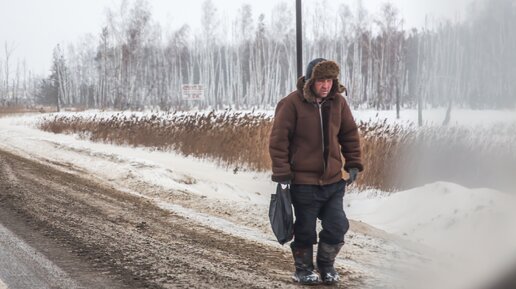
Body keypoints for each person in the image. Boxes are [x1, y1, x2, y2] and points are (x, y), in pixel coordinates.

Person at [269, 58, 363, 285]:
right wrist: (282, 174)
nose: (326, 85)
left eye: (330, 80)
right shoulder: (291, 103)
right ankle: (303, 269)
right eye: (321, 80)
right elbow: (279, 141)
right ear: (311, 81)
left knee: (337, 225)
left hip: (332, 181)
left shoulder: (338, 103)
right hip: (303, 182)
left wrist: (353, 163)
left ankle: (326, 266)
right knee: (305, 230)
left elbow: (349, 134)